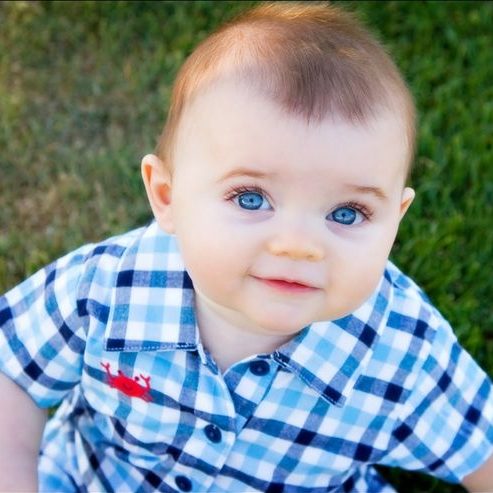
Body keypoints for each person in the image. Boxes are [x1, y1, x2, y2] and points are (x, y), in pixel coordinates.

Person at [1, 2, 492, 492]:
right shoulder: (105, 289)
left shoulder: (402, 347)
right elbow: (11, 374)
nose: (299, 245)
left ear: (395, 220)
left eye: (347, 213)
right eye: (251, 198)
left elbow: (483, 446)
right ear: (167, 197)